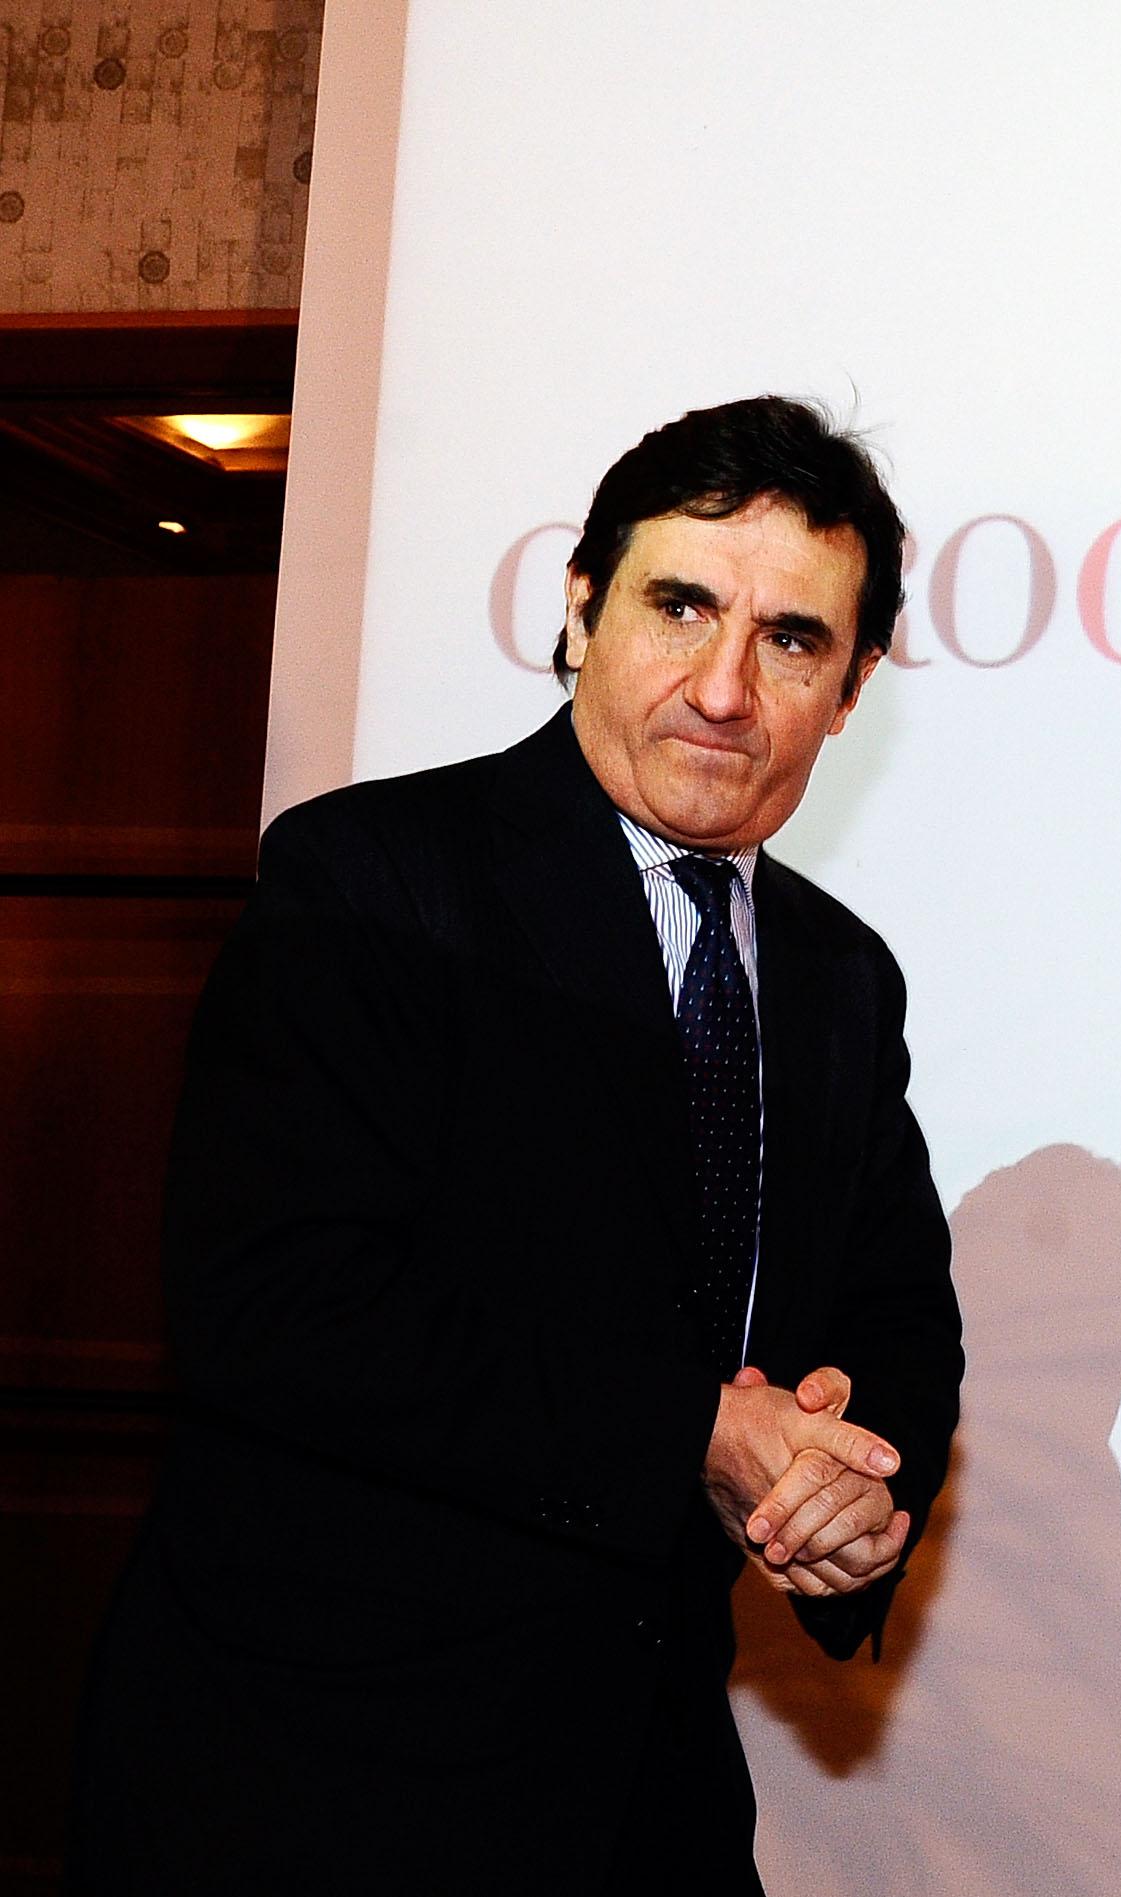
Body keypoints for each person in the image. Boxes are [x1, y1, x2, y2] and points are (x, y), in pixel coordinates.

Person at [70, 396, 964, 1894]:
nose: (724, 689)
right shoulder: (371, 880)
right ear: (581, 608)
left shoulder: (840, 977)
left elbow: (896, 1325)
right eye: (680, 607)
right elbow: (276, 1307)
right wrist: (696, 1429)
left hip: (650, 1793)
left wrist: (855, 1491)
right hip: (326, 1791)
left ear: (853, 686)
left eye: (793, 640)